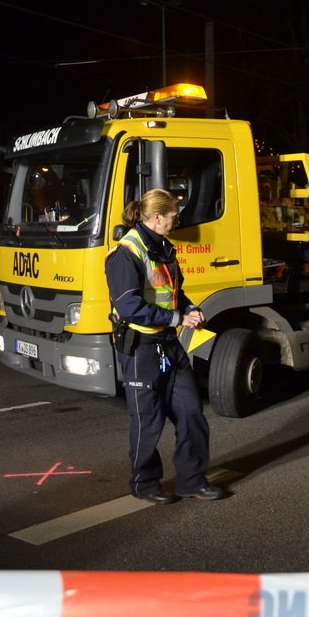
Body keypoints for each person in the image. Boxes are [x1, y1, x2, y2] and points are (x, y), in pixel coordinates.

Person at [105, 189, 225, 504]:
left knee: (191, 413)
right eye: (173, 216)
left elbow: (173, 290)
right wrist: (177, 317)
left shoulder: (162, 247)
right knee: (148, 420)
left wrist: (188, 309)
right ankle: (145, 484)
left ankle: (191, 481)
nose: (177, 221)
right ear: (158, 217)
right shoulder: (126, 253)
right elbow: (129, 306)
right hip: (141, 348)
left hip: (168, 345)